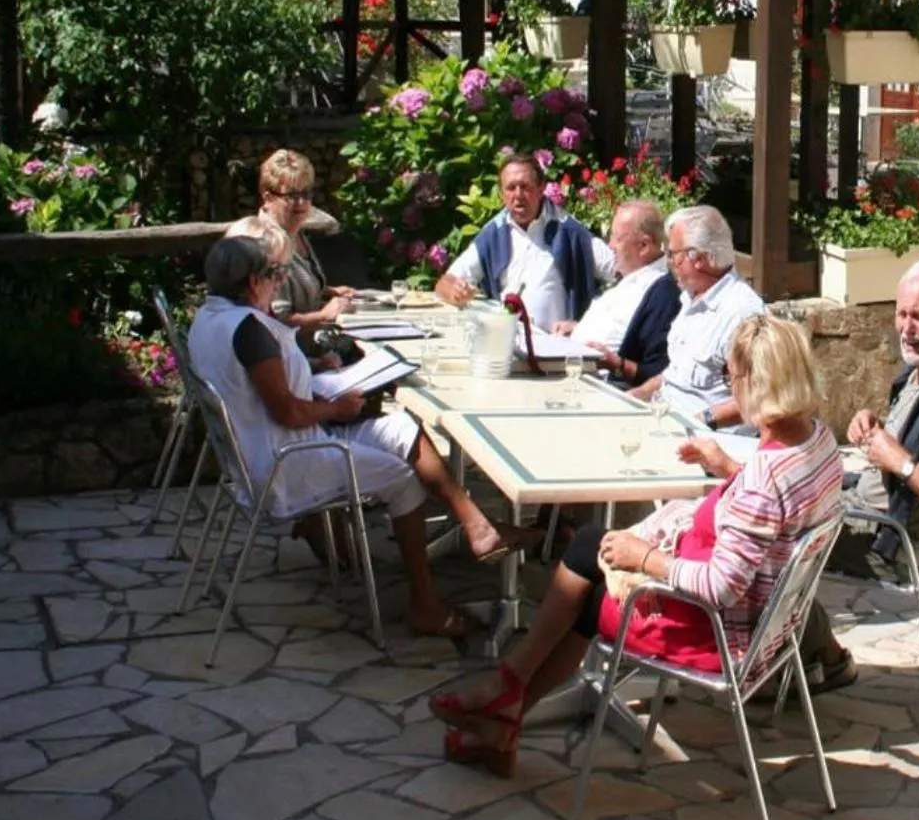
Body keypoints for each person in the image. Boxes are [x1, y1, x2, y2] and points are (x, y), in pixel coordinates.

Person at [430, 313, 843, 776]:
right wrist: (728, 467)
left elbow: (721, 586)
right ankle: (504, 710)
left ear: (757, 381)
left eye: (733, 377)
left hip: (719, 635)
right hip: (770, 627)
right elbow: (780, 516)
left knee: (587, 568)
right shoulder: (817, 441)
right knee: (590, 564)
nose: (731, 388)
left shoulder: (764, 482)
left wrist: (644, 557)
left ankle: (504, 697)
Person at [188, 219, 528, 639]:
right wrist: (337, 408)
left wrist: (314, 375)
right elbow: (289, 413)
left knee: (400, 426)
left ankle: (476, 527)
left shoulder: (209, 318)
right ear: (253, 280)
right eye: (275, 276)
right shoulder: (250, 331)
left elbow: (260, 386)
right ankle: (425, 605)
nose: (279, 286)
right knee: (405, 481)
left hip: (268, 453)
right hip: (287, 463)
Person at [799, 260, 919, 693]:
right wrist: (875, 426)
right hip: (866, 513)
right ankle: (804, 656)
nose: (906, 328)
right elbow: (909, 437)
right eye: (901, 314)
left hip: (890, 541)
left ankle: (814, 659)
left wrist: (900, 462)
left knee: (776, 537)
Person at [435, 152, 615, 331]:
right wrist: (455, 292)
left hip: (557, 347)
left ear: (541, 188)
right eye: (511, 188)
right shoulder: (494, 234)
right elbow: (445, 282)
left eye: (525, 187)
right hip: (507, 342)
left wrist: (587, 325)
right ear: (501, 193)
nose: (518, 195)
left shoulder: (569, 231)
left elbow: (621, 272)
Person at [644, 204, 765, 428]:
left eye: (673, 255)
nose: (669, 262)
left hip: (710, 439)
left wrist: (699, 421)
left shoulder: (741, 313)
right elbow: (676, 378)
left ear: (698, 257)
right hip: (665, 420)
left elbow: (757, 398)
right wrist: (636, 396)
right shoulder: (690, 297)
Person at [553, 199, 679, 389]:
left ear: (644, 246)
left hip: (600, 388)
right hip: (573, 370)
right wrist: (577, 329)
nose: (610, 245)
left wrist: (616, 363)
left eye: (617, 238)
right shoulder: (634, 277)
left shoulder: (660, 292)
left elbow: (656, 371)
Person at [257, 149, 354, 334]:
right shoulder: (269, 242)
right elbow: (276, 320)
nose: (301, 202)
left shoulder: (294, 230)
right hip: (293, 356)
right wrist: (324, 316)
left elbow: (294, 287)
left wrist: (326, 291)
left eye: (306, 193)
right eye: (292, 195)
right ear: (268, 197)